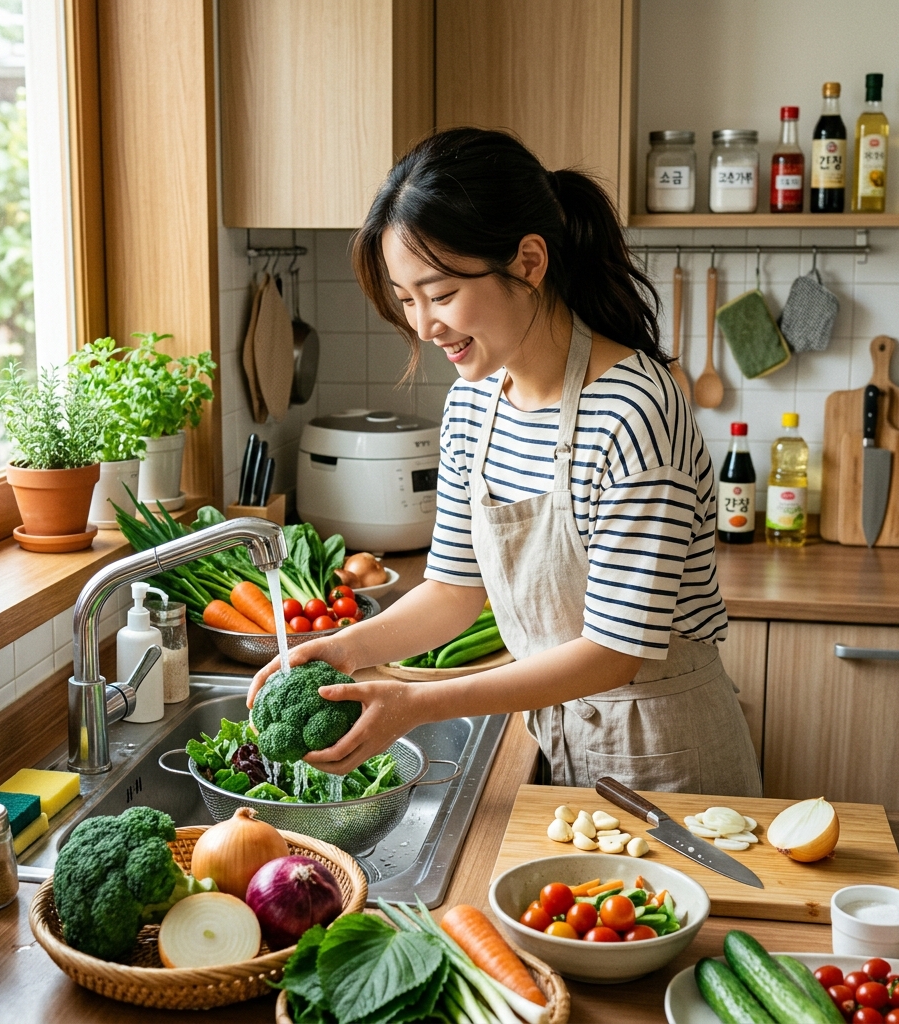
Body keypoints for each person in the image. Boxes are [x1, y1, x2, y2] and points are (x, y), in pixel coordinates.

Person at [247, 127, 761, 797]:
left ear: (527, 262)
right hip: (555, 740)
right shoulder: (472, 406)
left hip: (669, 759)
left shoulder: (635, 410)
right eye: (406, 300)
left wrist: (416, 703)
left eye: (439, 293)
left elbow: (615, 652)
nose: (425, 326)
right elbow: (454, 593)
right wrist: (350, 650)